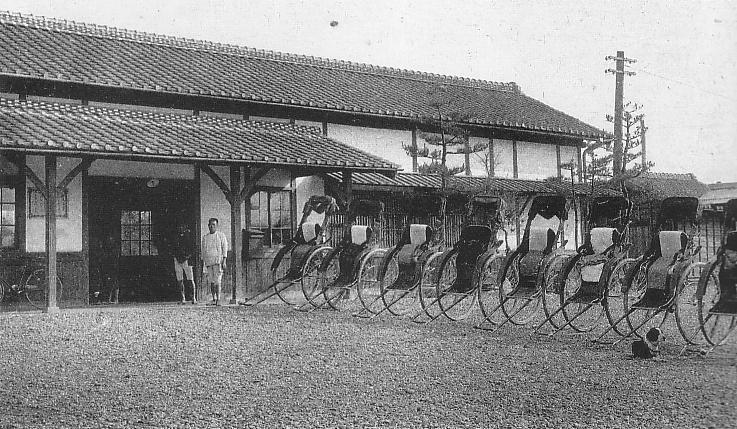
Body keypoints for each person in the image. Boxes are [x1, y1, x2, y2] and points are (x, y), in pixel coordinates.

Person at [201, 217, 228, 305]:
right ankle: (213, 299)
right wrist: (204, 263)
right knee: (211, 281)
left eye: (214, 225)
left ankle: (218, 299)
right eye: (210, 225)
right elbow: (203, 250)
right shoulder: (205, 237)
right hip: (209, 262)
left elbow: (225, 248)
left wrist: (224, 260)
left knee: (218, 281)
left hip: (218, 262)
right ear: (208, 226)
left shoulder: (221, 235)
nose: (212, 226)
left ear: (217, 226)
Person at [173, 223, 196, 304]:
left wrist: (186, 257)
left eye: (183, 226)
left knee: (190, 279)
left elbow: (193, 248)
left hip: (187, 260)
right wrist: (177, 258)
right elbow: (174, 248)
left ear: (186, 227)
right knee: (180, 280)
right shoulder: (176, 237)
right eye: (180, 226)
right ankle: (183, 298)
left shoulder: (189, 236)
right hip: (177, 259)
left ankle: (193, 297)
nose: (181, 228)